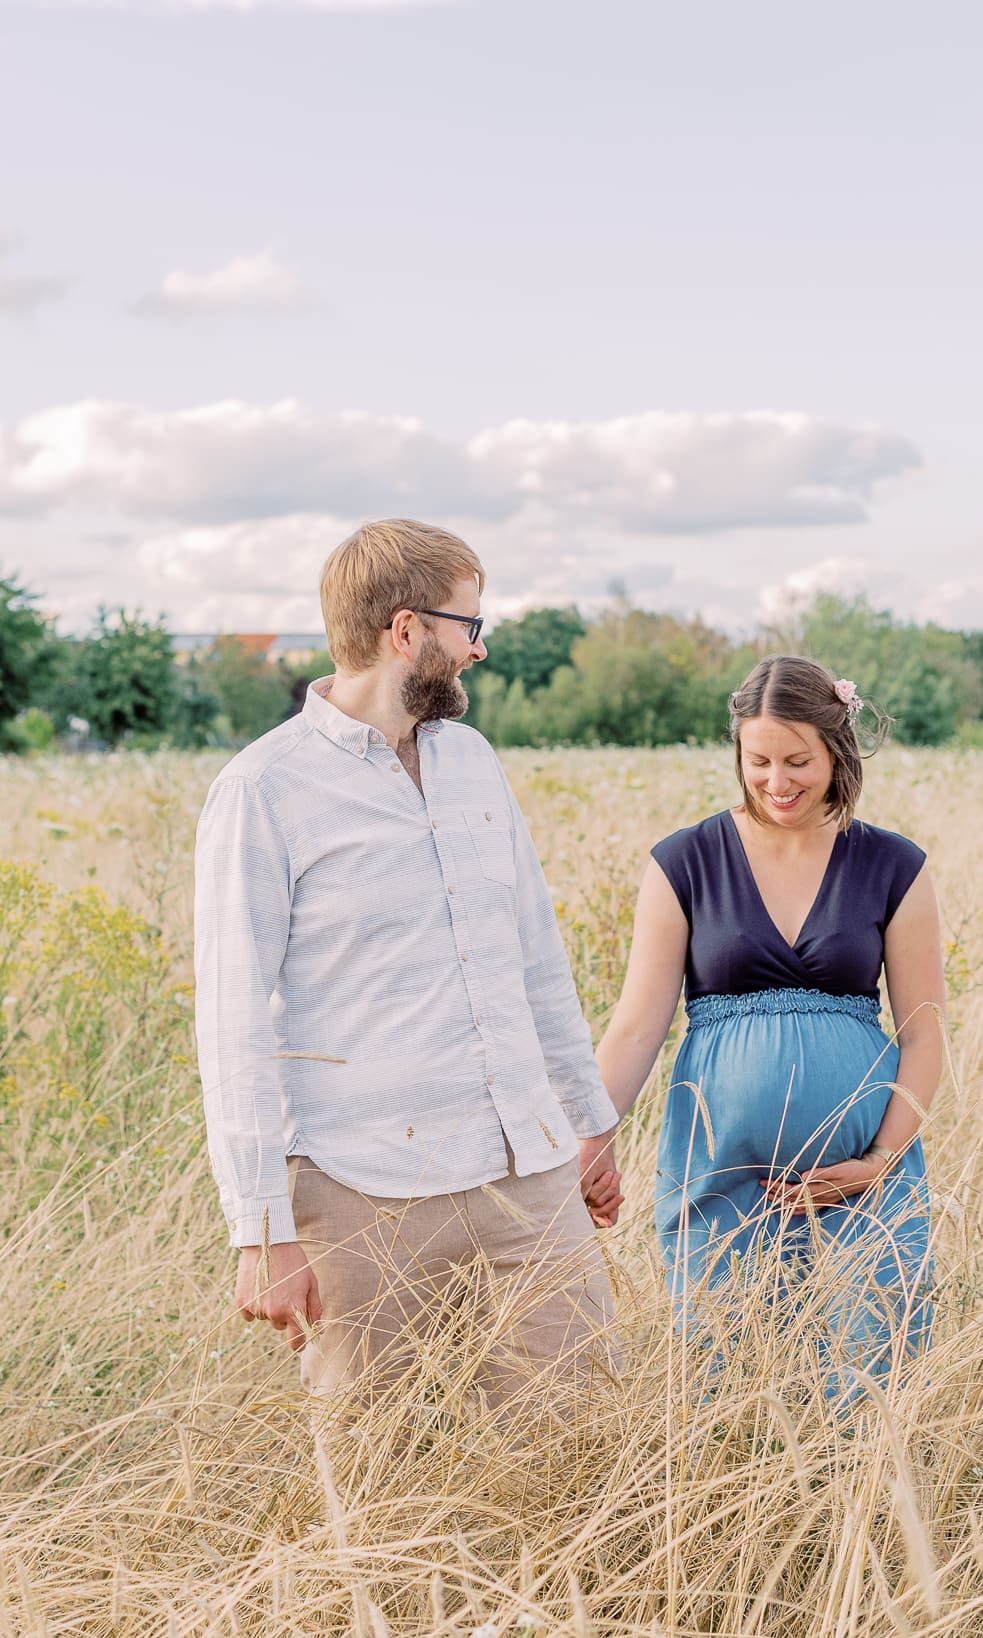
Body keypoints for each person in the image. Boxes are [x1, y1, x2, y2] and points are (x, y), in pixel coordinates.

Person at [194, 518, 622, 1418]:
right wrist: (263, 1230)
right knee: (381, 1461)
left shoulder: (472, 761)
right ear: (405, 631)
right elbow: (231, 1025)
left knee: (580, 1434)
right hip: (363, 1189)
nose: (478, 646)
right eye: (468, 624)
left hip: (526, 1170)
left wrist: (589, 1120)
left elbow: (535, 956)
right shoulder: (261, 790)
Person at [596, 656, 944, 1408]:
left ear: (836, 751)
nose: (777, 782)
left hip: (866, 1184)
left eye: (798, 761)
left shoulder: (894, 865)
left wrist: (879, 1159)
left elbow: (923, 1035)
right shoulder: (684, 862)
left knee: (870, 1376)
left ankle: (865, 1525)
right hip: (723, 1177)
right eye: (758, 761)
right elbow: (634, 1028)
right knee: (729, 1385)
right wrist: (590, 1136)